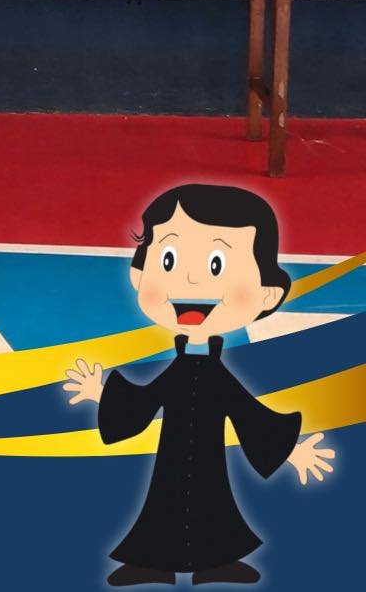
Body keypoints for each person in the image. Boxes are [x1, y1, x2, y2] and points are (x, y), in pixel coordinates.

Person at [63, 184, 334, 586]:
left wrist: (291, 451)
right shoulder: (182, 370)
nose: (190, 279)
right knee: (165, 498)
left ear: (268, 294)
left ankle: (215, 562)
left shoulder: (215, 375)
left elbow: (249, 415)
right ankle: (154, 563)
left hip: (209, 459)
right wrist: (101, 392)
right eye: (168, 259)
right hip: (172, 457)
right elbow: (146, 400)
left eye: (216, 264)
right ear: (139, 274)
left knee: (212, 499)